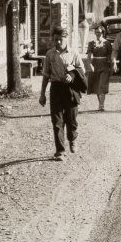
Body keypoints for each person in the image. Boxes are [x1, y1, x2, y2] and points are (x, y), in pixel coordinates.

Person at [39, 26, 87, 161]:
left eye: (60, 39)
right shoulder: (50, 54)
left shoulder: (74, 53)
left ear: (66, 39)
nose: (58, 42)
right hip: (56, 89)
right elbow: (46, 75)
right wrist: (42, 94)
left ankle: (72, 139)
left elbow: (81, 71)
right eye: (55, 40)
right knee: (57, 122)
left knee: (71, 120)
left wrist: (72, 76)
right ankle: (60, 151)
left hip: (71, 90)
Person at [86, 25, 114, 110]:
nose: (98, 34)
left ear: (103, 33)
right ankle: (100, 103)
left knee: (102, 85)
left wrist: (112, 67)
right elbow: (89, 55)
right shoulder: (91, 43)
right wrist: (89, 64)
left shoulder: (107, 43)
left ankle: (102, 104)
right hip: (95, 65)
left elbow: (110, 57)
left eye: (100, 32)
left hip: (104, 65)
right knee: (97, 85)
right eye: (97, 32)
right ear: (95, 33)